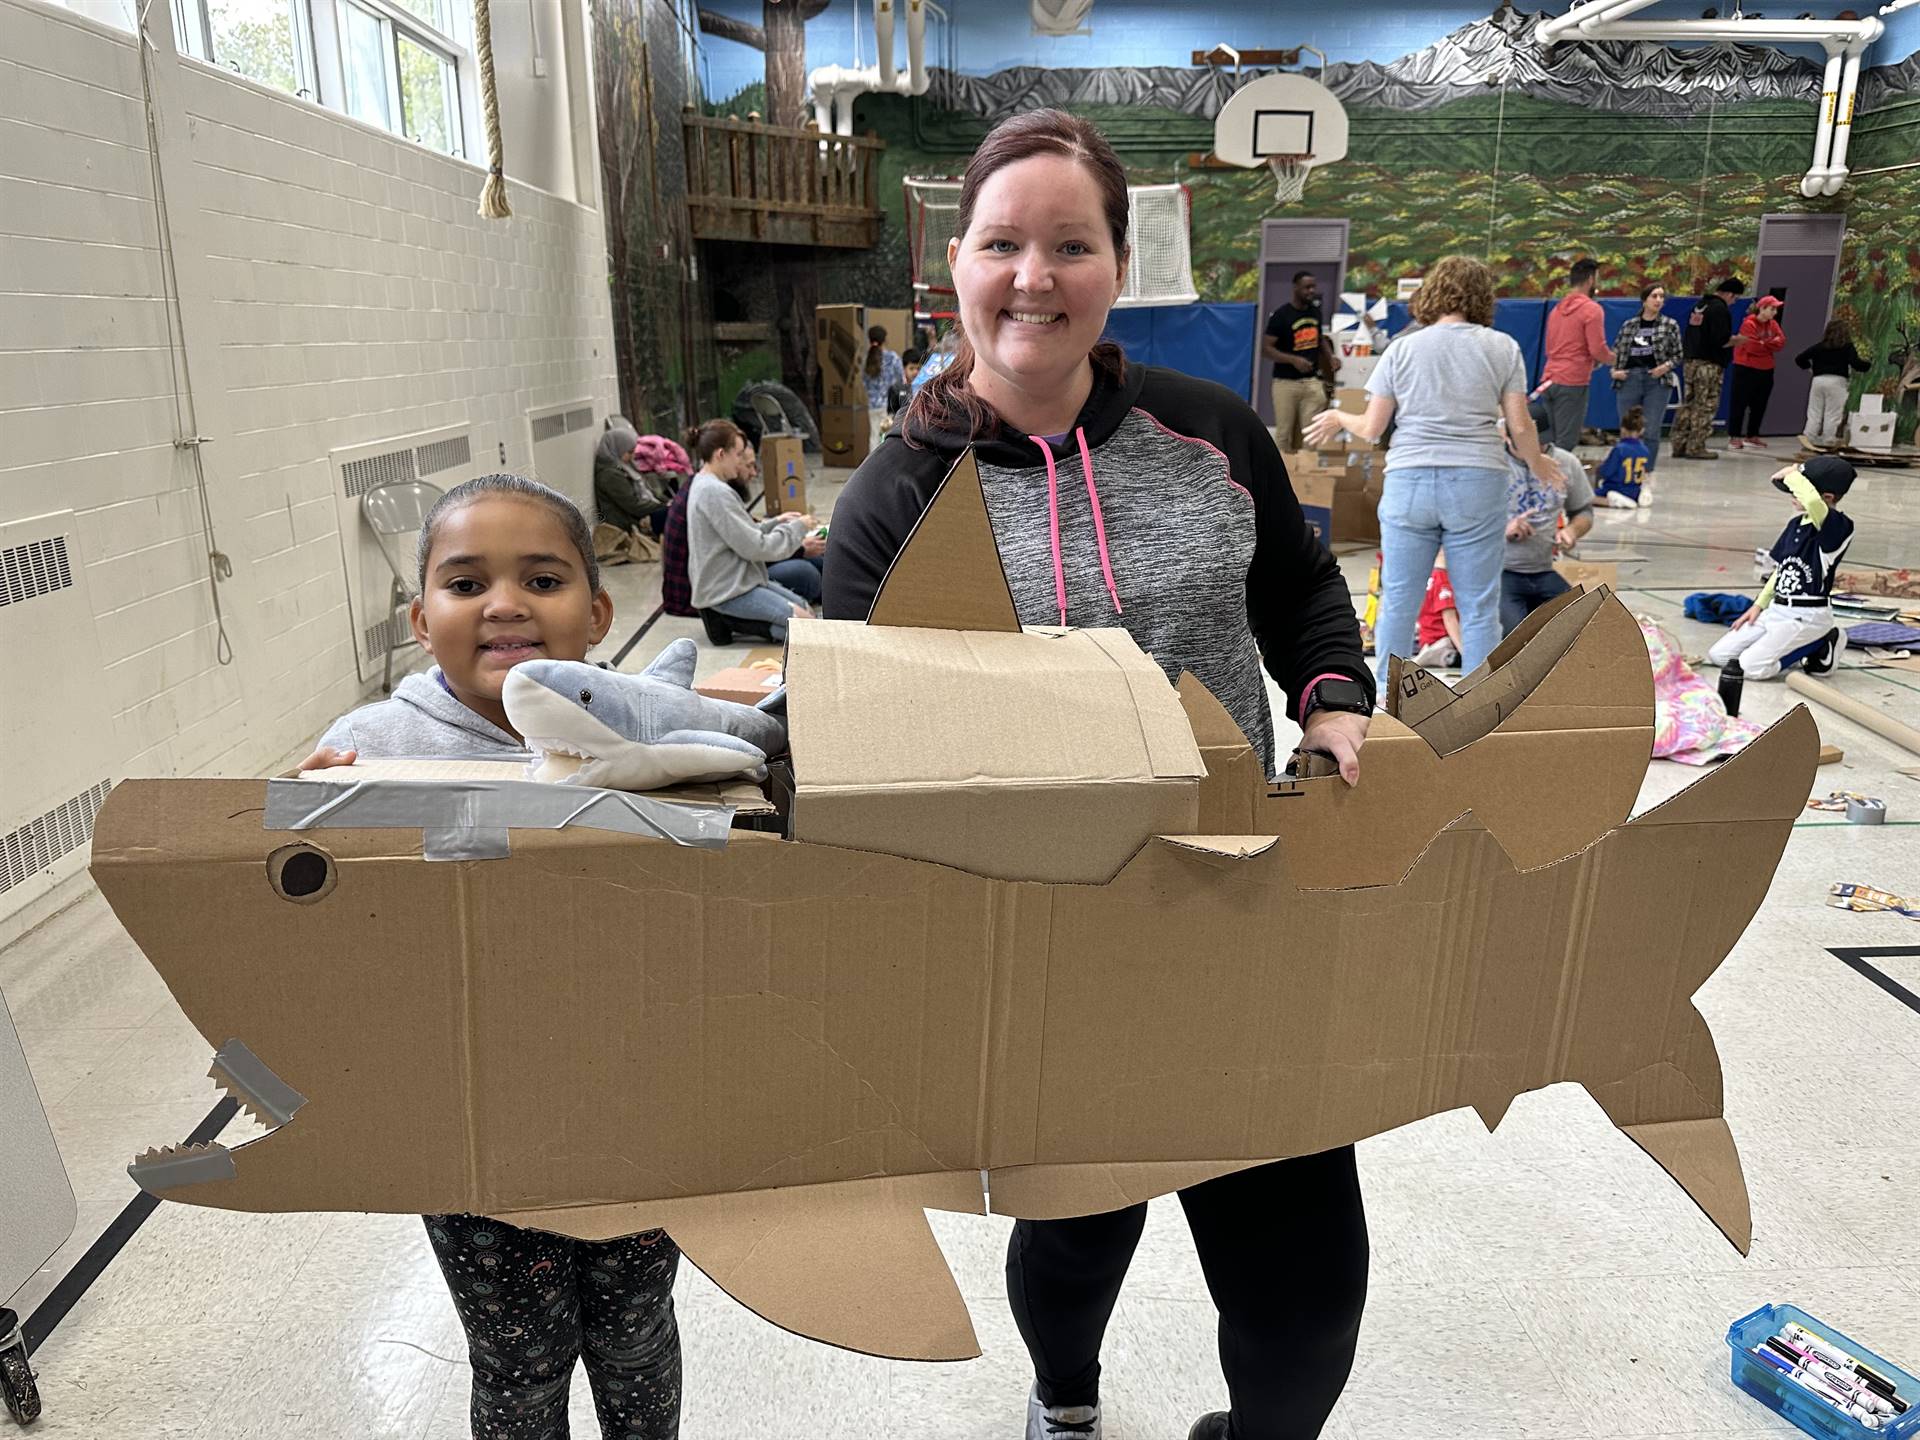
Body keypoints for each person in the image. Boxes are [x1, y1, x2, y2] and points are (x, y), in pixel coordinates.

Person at [822, 108, 1374, 1440]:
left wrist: (1336, 704)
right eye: (1004, 243)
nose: (1034, 276)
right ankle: (1065, 1399)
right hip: (1038, 946)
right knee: (1075, 1241)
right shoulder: (895, 496)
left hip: (1237, 910)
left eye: (1070, 244)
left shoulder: (1209, 431)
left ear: (1118, 265)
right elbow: (843, 731)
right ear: (956, 266)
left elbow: (1299, 587)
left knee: (1307, 1298)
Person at [302, 474, 684, 1440]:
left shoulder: (654, 740)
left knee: (637, 1337)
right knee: (518, 1361)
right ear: (421, 619)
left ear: (597, 614)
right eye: (466, 583)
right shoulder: (372, 748)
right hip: (471, 1135)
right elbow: (306, 937)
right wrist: (310, 829)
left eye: (543, 579)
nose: (504, 603)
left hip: (636, 1111)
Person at [1308, 253, 1566, 677]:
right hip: (1478, 481)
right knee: (1479, 605)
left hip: (1410, 481)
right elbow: (1520, 425)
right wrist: (1538, 464)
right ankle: (1475, 711)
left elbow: (1373, 428)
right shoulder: (1502, 347)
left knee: (1398, 600)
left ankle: (1390, 703)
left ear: (1433, 293)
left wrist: (1339, 417)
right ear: (1483, 298)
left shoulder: (1403, 348)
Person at [1708, 456, 1856, 679]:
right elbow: (1782, 570)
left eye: (1797, 490)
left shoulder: (1839, 527)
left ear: (1828, 497)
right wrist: (1758, 605)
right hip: (1776, 610)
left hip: (1807, 615)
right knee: (1719, 655)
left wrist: (1793, 473)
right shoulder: (1795, 524)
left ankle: (1820, 641)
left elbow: (1814, 504)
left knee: (1750, 668)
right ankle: (1793, 645)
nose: (1791, 494)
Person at [684, 418, 822, 642]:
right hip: (727, 590)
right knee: (805, 629)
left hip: (737, 582)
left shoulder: (705, 484)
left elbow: (738, 531)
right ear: (721, 454)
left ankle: (741, 622)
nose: (740, 463)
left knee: (805, 611)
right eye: (738, 455)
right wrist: (797, 528)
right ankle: (729, 620)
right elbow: (757, 547)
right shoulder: (714, 492)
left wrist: (775, 522)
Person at [1501, 427, 1594, 633]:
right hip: (1501, 572)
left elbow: (1584, 512)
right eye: (1527, 446)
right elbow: (1463, 524)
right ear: (1508, 439)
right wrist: (1503, 529)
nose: (1536, 453)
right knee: (1516, 639)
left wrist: (1572, 531)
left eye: (1541, 445)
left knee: (1578, 629)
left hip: (1545, 569)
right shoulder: (1492, 464)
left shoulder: (1566, 463)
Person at [1539, 257, 1614, 451]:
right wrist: (1615, 359)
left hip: (1549, 380)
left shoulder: (1556, 310)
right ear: (1591, 280)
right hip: (1572, 382)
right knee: (1565, 442)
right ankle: (1559, 481)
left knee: (1549, 442)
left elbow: (1551, 347)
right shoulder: (1592, 309)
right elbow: (1597, 349)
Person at [1670, 277, 1745, 459]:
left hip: (1691, 362)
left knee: (1689, 404)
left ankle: (1679, 444)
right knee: (1705, 406)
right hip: (1709, 365)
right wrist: (1738, 340)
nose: (1733, 303)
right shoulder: (1720, 309)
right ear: (1729, 294)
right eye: (1734, 299)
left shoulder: (1700, 306)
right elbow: (1721, 340)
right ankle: (1696, 446)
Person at [1610, 284, 1682, 468]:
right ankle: (1625, 467)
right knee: (1626, 427)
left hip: (1656, 380)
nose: (1658, 300)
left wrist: (1665, 367)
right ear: (1644, 300)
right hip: (1630, 378)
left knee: (1650, 428)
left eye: (1661, 296)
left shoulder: (1670, 325)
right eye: (1654, 296)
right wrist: (1614, 371)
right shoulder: (1629, 325)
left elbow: (1679, 355)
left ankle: (1646, 469)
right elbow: (1616, 351)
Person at [1263, 268, 1335, 452]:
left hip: (1312, 381)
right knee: (1284, 434)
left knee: (1311, 432)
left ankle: (1306, 474)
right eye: (1307, 287)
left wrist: (1330, 357)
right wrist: (1293, 360)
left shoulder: (1315, 313)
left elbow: (1319, 339)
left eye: (1313, 287)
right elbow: (1266, 349)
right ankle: (1282, 474)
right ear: (1295, 288)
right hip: (1285, 383)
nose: (1311, 291)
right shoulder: (1281, 316)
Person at [594, 418, 681, 538]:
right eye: (629, 452)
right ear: (617, 449)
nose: (633, 456)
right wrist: (663, 507)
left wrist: (666, 502)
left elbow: (648, 491)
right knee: (676, 516)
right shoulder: (610, 475)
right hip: (629, 523)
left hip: (639, 514)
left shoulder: (624, 466)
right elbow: (633, 505)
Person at [1795, 318, 1872, 449]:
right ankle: (1828, 440)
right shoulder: (1847, 347)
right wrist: (1868, 364)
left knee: (1814, 411)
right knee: (1833, 413)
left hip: (1818, 381)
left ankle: (1808, 439)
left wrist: (1810, 368)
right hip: (1837, 381)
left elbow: (1799, 358)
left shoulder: (1819, 346)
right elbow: (1856, 363)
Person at [1727, 293, 1786, 449]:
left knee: (1759, 404)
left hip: (1766, 369)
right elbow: (1752, 347)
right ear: (1762, 308)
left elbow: (1781, 342)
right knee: (1739, 403)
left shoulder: (1773, 324)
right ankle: (1734, 436)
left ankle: (1752, 435)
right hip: (1746, 368)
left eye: (1776, 309)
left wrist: (1764, 343)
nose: (1775, 312)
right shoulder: (1749, 323)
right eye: (1772, 309)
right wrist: (1768, 344)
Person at [1593, 406, 1654, 508]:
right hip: (1634, 490)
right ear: (1642, 431)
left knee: (1586, 497)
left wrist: (1599, 467)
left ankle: (1614, 502)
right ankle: (1642, 496)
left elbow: (1607, 472)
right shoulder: (1645, 450)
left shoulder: (1619, 449)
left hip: (1615, 489)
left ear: (1622, 429)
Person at [1412, 556, 1461, 669]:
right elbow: (1449, 619)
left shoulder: (1427, 578)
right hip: (1443, 642)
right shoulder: (1443, 577)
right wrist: (1466, 652)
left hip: (1427, 641)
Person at [864, 324, 907, 443]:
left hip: (872, 405)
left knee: (874, 435)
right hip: (888, 404)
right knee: (886, 436)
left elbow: (865, 382)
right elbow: (901, 379)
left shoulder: (867, 359)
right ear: (884, 339)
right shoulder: (892, 357)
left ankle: (872, 461)